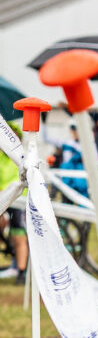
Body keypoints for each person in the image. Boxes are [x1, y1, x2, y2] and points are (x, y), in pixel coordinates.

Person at [0, 120, 28, 284]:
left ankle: (22, 272)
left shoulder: (21, 156)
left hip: (19, 199)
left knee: (19, 236)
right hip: (3, 199)